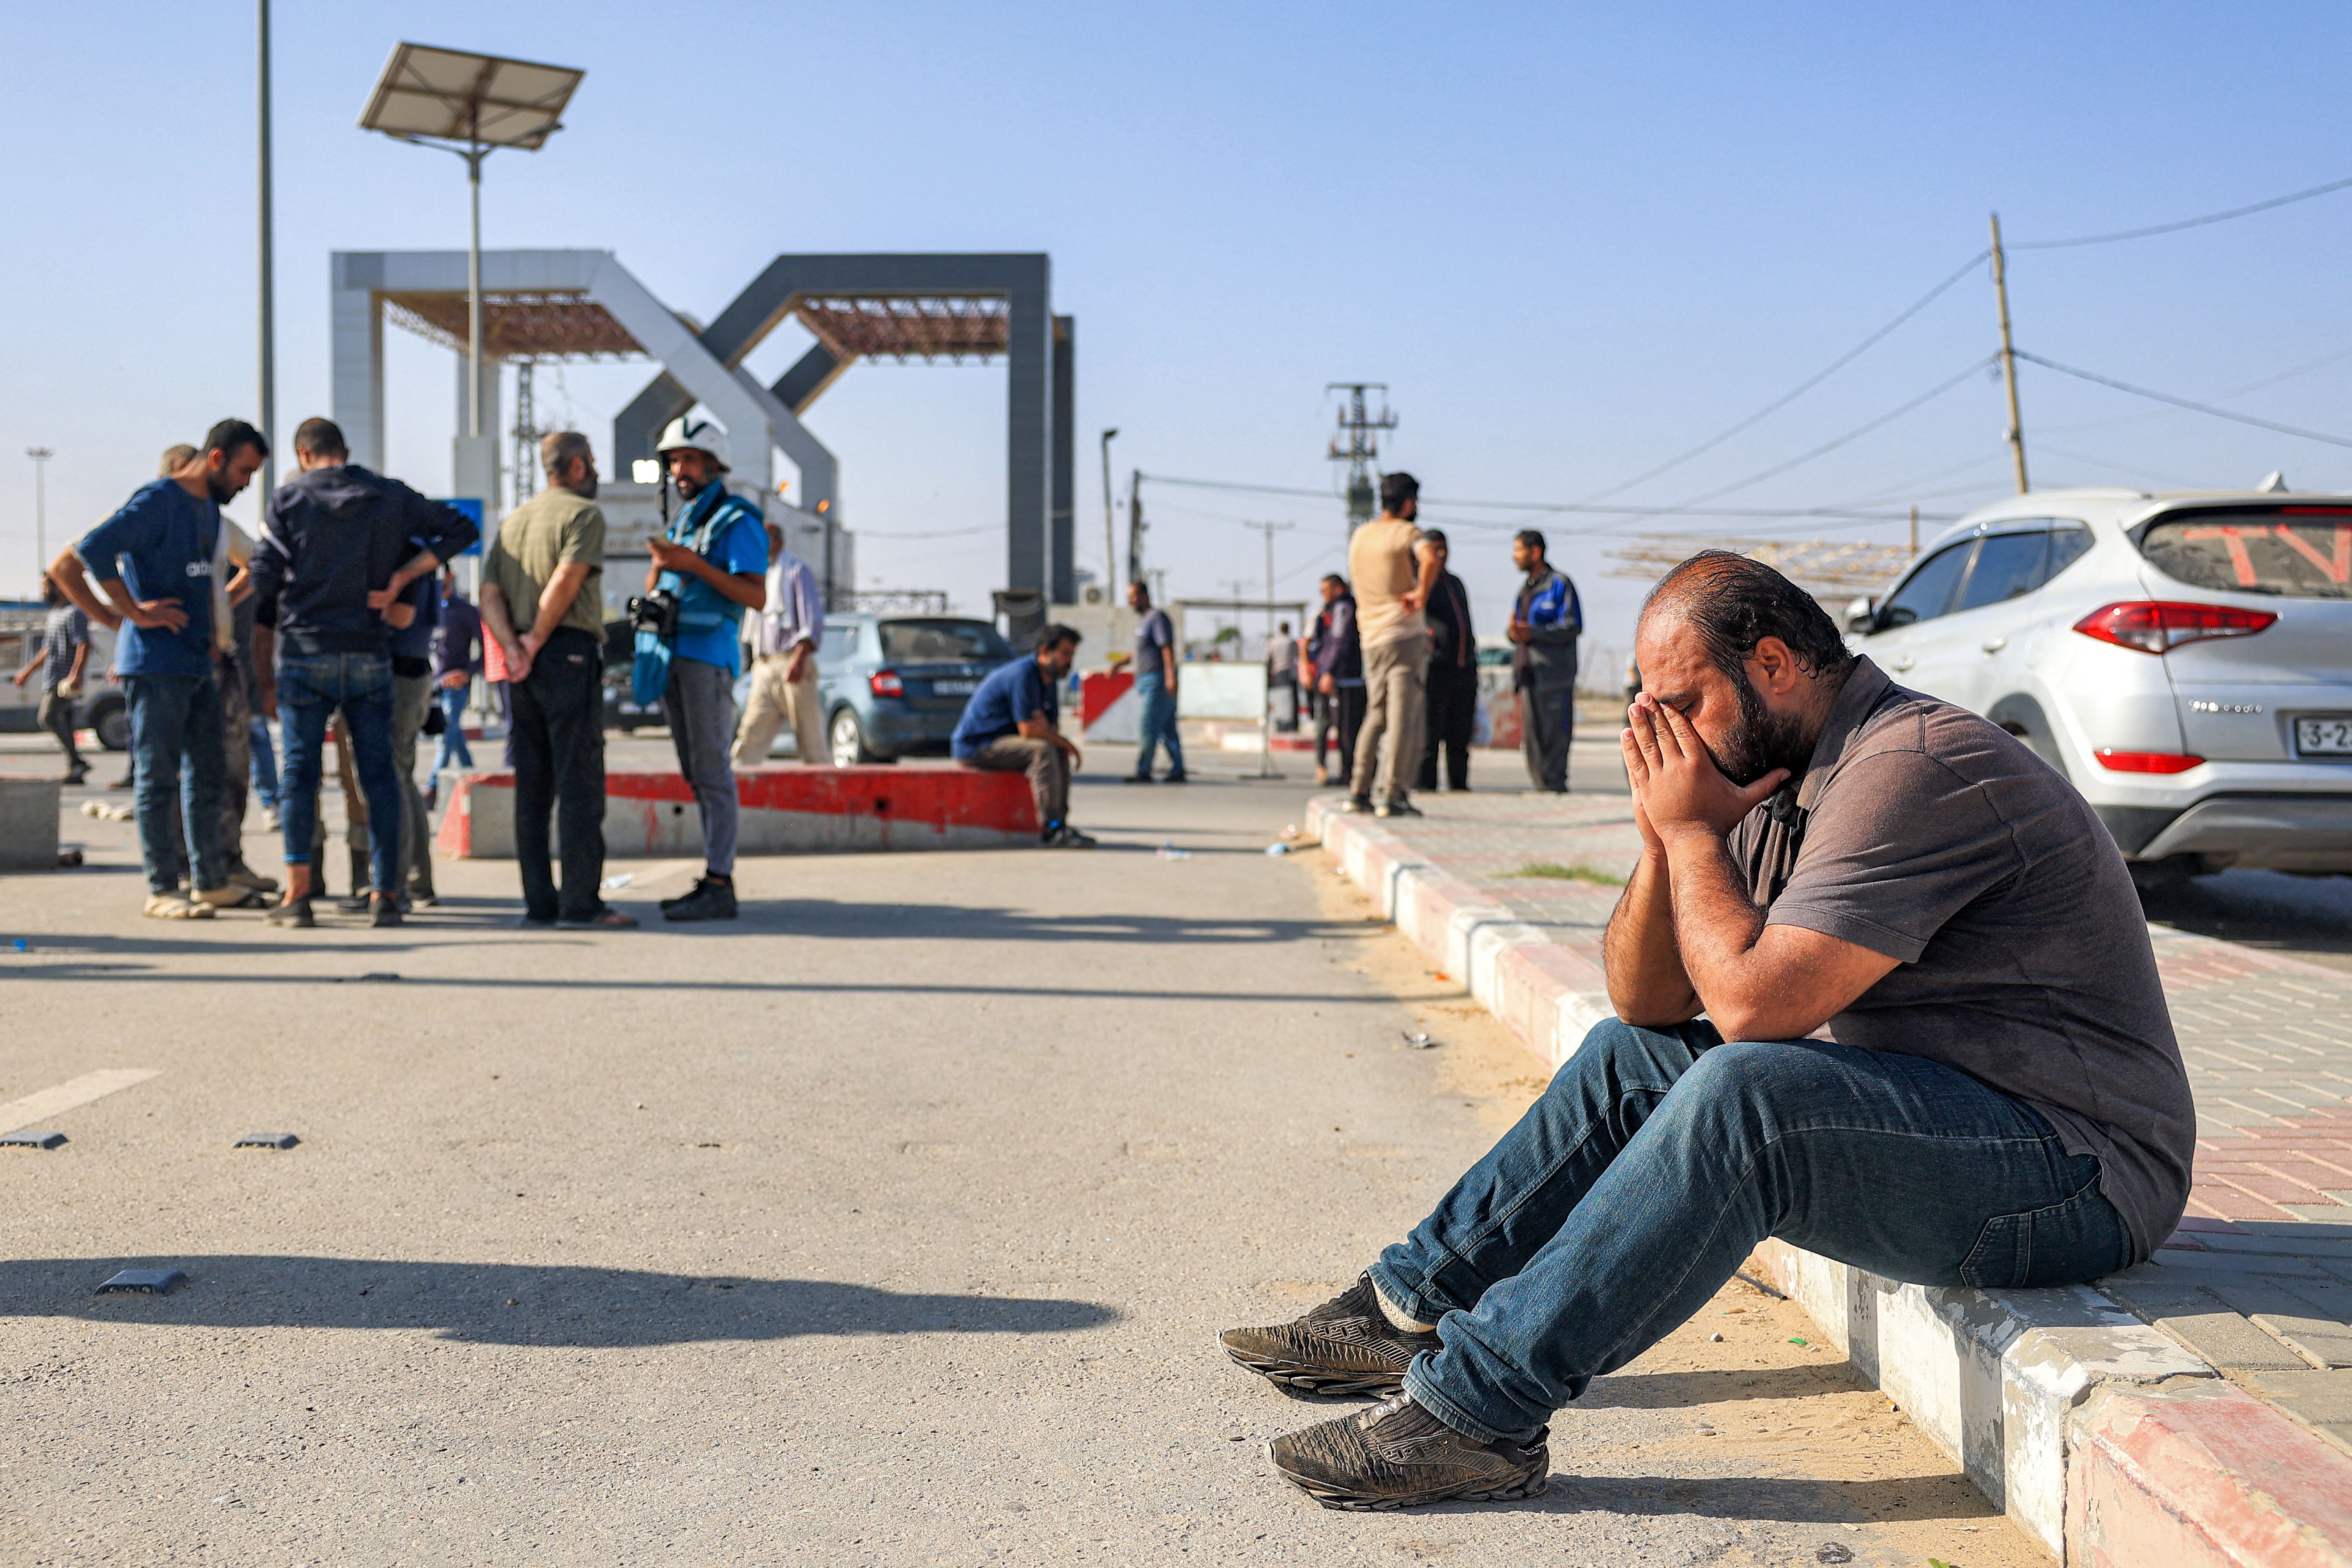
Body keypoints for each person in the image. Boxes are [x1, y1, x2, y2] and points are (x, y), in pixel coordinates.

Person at [1225, 551, 2194, 1511]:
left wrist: (1694, 837)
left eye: (1682, 703)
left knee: (1750, 1098)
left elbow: (1753, 1011)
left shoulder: (1913, 765)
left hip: (2079, 1171)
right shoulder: (1776, 774)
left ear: (1771, 665)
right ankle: (1407, 1306)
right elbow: (1647, 1004)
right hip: (1958, 1127)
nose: (1665, 733)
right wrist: (1664, 837)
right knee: (1632, 1060)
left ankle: (1476, 1416)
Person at [249, 417, 477, 929]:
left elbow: (264, 578)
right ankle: (386, 895)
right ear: (344, 452)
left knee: (300, 774)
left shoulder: (289, 500)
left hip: (306, 652)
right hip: (372, 654)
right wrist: (404, 575)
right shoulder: (391, 496)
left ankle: (299, 895)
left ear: (303, 455)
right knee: (380, 776)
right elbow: (464, 528)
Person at [52, 420, 267, 920]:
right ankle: (162, 888)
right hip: (156, 665)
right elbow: (79, 560)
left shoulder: (210, 510)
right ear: (216, 459)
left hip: (198, 662)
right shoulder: (156, 501)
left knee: (209, 775)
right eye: (245, 471)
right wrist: (127, 614)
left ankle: (210, 881)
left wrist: (216, 628)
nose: (248, 484)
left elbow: (230, 576)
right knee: (157, 778)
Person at [481, 431, 633, 931]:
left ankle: (539, 903)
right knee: (579, 782)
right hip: (564, 652)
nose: (593, 470)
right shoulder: (584, 515)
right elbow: (567, 580)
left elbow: (488, 594)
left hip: (521, 665)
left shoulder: (513, 521)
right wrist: (538, 640)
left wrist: (514, 647)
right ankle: (581, 905)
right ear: (572, 468)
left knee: (533, 786)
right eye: (588, 462)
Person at [635, 416, 769, 923]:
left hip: (708, 659)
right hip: (674, 655)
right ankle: (714, 877)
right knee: (697, 772)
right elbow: (667, 578)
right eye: (673, 461)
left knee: (712, 773)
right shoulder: (687, 519)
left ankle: (720, 882)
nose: (679, 469)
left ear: (714, 464)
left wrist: (693, 565)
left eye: (689, 459)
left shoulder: (738, 519)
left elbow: (755, 595)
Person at [1345, 472, 1439, 817]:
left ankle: (1358, 790)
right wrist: (1420, 593)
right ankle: (1394, 793)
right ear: (1410, 503)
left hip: (1370, 638)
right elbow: (1429, 557)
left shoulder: (1360, 536)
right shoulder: (1407, 532)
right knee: (1403, 718)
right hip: (1403, 635)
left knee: (1376, 714)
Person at [952, 624, 1095, 847]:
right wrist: (1066, 743)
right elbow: (1028, 731)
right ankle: (1050, 828)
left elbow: (1049, 729)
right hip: (978, 745)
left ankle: (1061, 825)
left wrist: (1053, 736)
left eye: (1072, 655)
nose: (1070, 661)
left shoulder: (1049, 681)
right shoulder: (1024, 675)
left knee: (1055, 748)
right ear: (1046, 651)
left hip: (1004, 742)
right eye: (1066, 653)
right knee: (1042, 750)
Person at [731, 521, 828, 769]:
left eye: (767, 541)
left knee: (810, 740)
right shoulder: (759, 575)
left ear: (780, 543)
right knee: (750, 737)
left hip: (792, 662)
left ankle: (825, 795)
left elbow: (811, 622)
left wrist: (798, 660)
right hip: (764, 666)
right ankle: (736, 795)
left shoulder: (796, 571)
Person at [1510, 529, 1582, 793]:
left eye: (1518, 550)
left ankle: (1556, 785)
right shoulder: (1525, 590)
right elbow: (1520, 628)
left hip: (1555, 675)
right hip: (1529, 672)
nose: (1514, 556)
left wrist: (1535, 633)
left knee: (1556, 734)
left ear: (1535, 552)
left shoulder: (1559, 584)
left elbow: (1572, 625)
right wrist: (1515, 633)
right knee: (1533, 737)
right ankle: (1542, 787)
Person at [386, 557, 441, 908]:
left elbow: (401, 617)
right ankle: (417, 882)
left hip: (398, 674)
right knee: (403, 779)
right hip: (413, 671)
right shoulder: (423, 553)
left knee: (393, 780)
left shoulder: (408, 552)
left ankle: (399, 885)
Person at [1416, 530, 1477, 793]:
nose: (1441, 555)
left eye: (1444, 549)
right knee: (1429, 735)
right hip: (1435, 670)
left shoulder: (1455, 583)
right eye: (1435, 550)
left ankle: (1459, 786)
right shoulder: (1420, 586)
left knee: (1460, 735)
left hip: (1464, 670)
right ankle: (1425, 786)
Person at [15, 575, 89, 784]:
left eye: (47, 586)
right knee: (65, 721)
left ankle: (77, 761)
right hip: (52, 677)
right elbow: (47, 650)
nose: (44, 591)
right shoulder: (55, 614)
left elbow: (84, 644)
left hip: (65, 681)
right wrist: (28, 671)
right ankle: (75, 769)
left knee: (47, 717)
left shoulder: (74, 613)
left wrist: (76, 674)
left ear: (60, 586)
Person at [428, 566, 482, 805]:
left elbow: (486, 650)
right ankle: (473, 779)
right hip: (432, 682)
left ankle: (432, 788)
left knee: (446, 734)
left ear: (451, 577)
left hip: (455, 685)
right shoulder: (429, 606)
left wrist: (467, 673)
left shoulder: (466, 611)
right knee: (455, 737)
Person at [1305, 575, 1363, 791]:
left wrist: (1329, 671)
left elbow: (1338, 641)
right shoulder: (1328, 611)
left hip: (1347, 679)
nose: (1323, 595)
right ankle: (1346, 772)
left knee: (1348, 731)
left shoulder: (1343, 609)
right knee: (1340, 730)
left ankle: (1351, 774)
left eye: (1326, 590)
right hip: (1338, 677)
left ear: (1337, 589)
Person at [1125, 580, 1185, 783]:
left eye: (1133, 597)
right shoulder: (1143, 623)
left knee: (1148, 726)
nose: (1130, 601)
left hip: (1157, 680)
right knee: (1168, 728)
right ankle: (1178, 769)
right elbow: (1140, 651)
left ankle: (1144, 770)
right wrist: (1118, 665)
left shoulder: (1157, 617)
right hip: (1145, 680)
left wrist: (1170, 676)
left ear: (1144, 596)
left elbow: (1166, 647)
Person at [1268, 620, 1300, 733]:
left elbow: (1268, 659)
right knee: (1292, 700)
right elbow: (1298, 655)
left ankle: (1281, 725)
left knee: (1279, 700)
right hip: (1290, 673)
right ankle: (1292, 726)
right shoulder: (1291, 642)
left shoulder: (1273, 642)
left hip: (1278, 673)